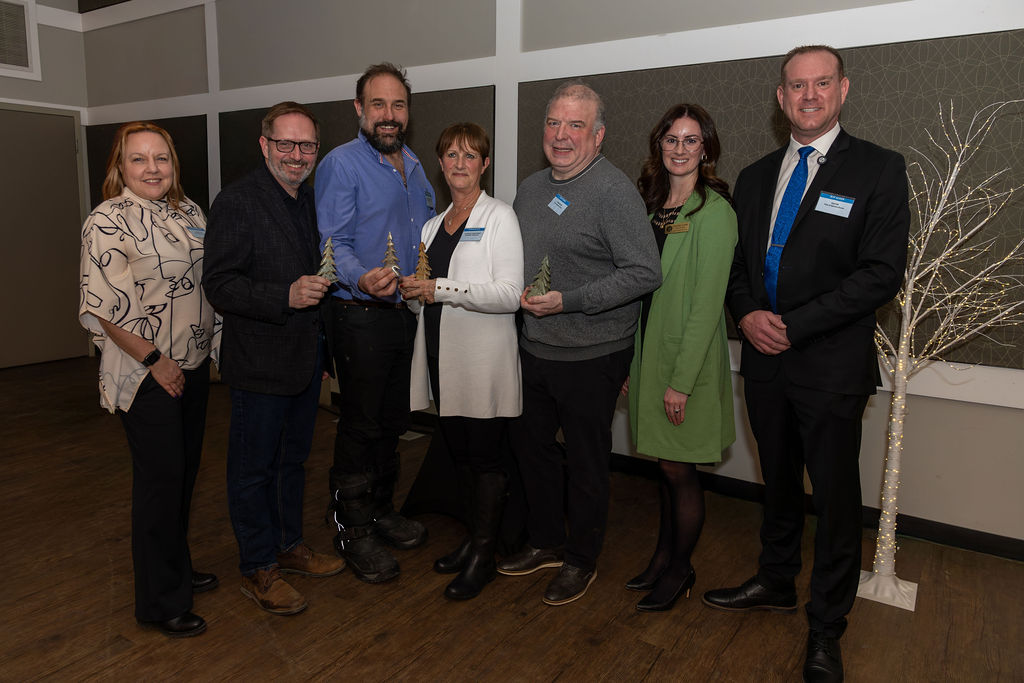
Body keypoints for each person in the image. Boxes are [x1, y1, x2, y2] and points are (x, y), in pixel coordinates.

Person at [702, 46, 909, 682]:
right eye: (797, 86)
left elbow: (880, 274)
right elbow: (737, 269)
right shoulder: (757, 175)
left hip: (829, 364)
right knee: (779, 485)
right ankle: (775, 580)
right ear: (780, 97)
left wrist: (796, 325)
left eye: (822, 83)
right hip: (765, 363)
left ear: (843, 90)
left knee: (837, 498)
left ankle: (826, 626)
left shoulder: (877, 168)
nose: (809, 95)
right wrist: (745, 316)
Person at [498, 82, 662, 606]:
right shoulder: (529, 188)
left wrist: (569, 300)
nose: (561, 136)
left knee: (588, 464)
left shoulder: (615, 193)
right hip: (535, 346)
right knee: (534, 453)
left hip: (593, 354)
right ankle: (546, 541)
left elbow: (644, 272)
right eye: (553, 123)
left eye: (575, 126)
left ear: (598, 135)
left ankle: (580, 559)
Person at [203, 101, 344, 617]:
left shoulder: (310, 201)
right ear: (265, 145)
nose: (297, 154)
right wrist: (282, 296)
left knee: (292, 463)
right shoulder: (238, 201)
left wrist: (323, 351)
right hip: (259, 363)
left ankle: (288, 546)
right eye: (285, 143)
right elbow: (219, 284)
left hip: (304, 361)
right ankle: (257, 566)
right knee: (252, 470)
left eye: (306, 145)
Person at [79, 122, 218, 637]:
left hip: (194, 365)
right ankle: (159, 602)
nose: (153, 168)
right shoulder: (107, 219)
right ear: (120, 166)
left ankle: (175, 570)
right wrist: (157, 361)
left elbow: (208, 286)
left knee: (183, 477)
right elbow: (107, 306)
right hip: (147, 372)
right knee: (159, 484)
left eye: (161, 158)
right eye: (139, 159)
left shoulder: (191, 212)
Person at [315, 62, 435, 583]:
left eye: (399, 105)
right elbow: (329, 243)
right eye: (379, 105)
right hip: (358, 313)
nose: (390, 115)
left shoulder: (413, 164)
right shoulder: (342, 165)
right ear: (359, 109)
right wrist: (362, 276)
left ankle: (382, 509)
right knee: (361, 424)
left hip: (403, 316)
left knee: (393, 421)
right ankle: (352, 525)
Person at [398, 123, 524, 600]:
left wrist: (439, 289)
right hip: (441, 360)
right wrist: (413, 292)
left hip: (483, 363)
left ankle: (485, 557)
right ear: (441, 163)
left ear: (484, 165)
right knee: (463, 458)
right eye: (450, 155)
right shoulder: (434, 225)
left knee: (486, 460)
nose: (459, 163)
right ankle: (474, 541)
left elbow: (509, 295)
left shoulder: (500, 218)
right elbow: (426, 298)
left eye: (470, 156)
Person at [623, 104, 737, 612]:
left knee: (680, 471)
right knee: (665, 471)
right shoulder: (650, 208)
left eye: (692, 140)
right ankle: (663, 559)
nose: (680, 149)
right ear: (659, 145)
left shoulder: (715, 213)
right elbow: (636, 295)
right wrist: (632, 366)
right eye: (672, 139)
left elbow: (707, 307)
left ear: (707, 149)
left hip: (683, 366)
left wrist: (680, 383)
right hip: (647, 356)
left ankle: (681, 569)